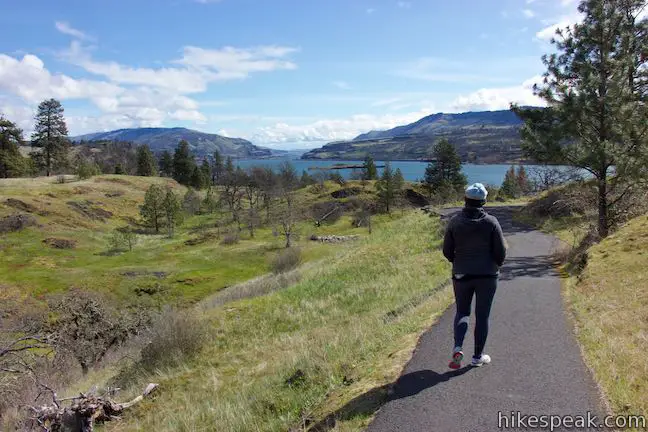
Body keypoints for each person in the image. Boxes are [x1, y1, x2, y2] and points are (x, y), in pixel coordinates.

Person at [442, 183, 506, 369]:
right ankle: (477, 356)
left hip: (461, 273)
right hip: (487, 274)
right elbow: (500, 252)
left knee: (462, 311)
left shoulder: (455, 221)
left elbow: (447, 250)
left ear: (465, 199)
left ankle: (458, 347)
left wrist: (458, 262)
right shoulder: (491, 222)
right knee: (482, 315)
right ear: (484, 201)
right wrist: (495, 265)